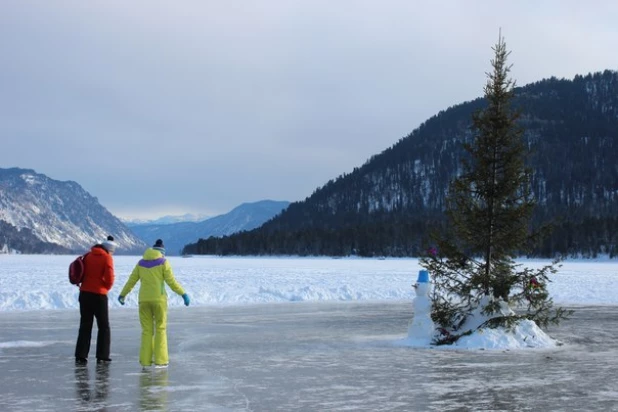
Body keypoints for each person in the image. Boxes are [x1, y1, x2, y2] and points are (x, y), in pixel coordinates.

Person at [118, 239, 190, 368]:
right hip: (159, 301)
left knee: (146, 331)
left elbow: (131, 281)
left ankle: (145, 361)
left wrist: (123, 294)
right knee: (160, 329)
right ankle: (161, 361)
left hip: (143, 301)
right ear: (162, 252)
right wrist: (183, 294)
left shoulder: (140, 263)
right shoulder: (163, 263)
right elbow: (171, 282)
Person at [75, 235, 117, 365]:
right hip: (99, 295)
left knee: (85, 325)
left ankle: (81, 355)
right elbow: (110, 278)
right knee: (103, 326)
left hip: (84, 294)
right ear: (109, 249)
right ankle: (102, 355)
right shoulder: (107, 258)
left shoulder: (88, 256)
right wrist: (106, 288)